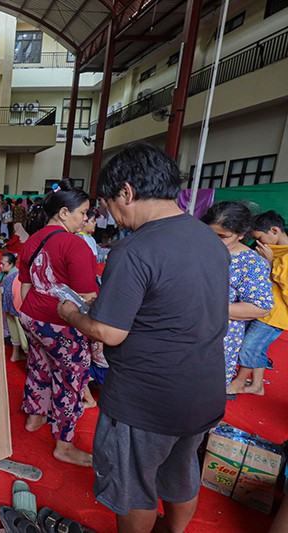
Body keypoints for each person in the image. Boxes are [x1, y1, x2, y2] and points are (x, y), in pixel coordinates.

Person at [57, 143, 228, 533]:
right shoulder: (208, 240)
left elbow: (109, 332)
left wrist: (71, 313)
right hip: (202, 390)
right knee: (181, 475)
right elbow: (174, 303)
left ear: (127, 193)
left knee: (135, 487)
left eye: (108, 205)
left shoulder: (135, 248)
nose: (110, 217)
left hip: (147, 399)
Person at [17, 178, 97, 467]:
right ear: (64, 213)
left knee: (38, 364)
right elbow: (87, 297)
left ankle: (35, 416)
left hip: (32, 316)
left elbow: (25, 284)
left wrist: (28, 317)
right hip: (60, 324)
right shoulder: (76, 246)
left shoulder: (34, 239)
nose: (85, 219)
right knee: (71, 380)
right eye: (83, 213)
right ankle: (64, 445)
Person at [202, 202, 273, 389]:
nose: (214, 241)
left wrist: (205, 308)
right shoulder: (198, 250)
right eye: (209, 234)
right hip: (182, 333)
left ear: (241, 234)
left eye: (223, 237)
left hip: (218, 339)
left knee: (202, 392)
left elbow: (260, 306)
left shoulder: (250, 263)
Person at [227, 210, 288, 396]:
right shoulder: (274, 251)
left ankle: (238, 382)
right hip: (265, 313)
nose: (258, 243)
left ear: (274, 231)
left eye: (260, 237)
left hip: (274, 317)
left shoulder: (282, 255)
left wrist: (270, 265)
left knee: (249, 347)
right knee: (257, 348)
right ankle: (257, 385)